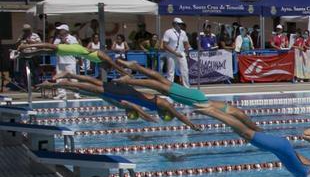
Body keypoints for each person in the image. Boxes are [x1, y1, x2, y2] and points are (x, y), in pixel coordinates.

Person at [114, 59, 259, 131]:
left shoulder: (224, 107)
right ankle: (130, 78)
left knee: (161, 81)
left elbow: (239, 115)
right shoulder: (215, 109)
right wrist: (192, 125)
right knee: (160, 85)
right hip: (195, 99)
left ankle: (136, 67)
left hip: (196, 96)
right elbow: (181, 116)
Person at [198, 103, 310, 177]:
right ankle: (212, 111)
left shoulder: (305, 170)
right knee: (245, 133)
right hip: (281, 147)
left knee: (245, 132)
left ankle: (217, 110)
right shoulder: (308, 173)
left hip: (281, 147)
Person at [36, 74, 198, 129]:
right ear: (166, 113)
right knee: (90, 87)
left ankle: (67, 76)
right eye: (164, 117)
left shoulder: (159, 106)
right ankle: (53, 83)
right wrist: (191, 125)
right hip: (126, 94)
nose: (162, 117)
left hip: (127, 93)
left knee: (93, 84)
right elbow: (179, 115)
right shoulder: (164, 104)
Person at [161, 18, 191, 87]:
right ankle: (169, 87)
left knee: (185, 70)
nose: (180, 25)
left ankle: (187, 87)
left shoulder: (183, 32)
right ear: (174, 24)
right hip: (171, 53)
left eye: (181, 24)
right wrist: (175, 53)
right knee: (171, 71)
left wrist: (186, 53)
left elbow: (186, 43)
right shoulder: (168, 32)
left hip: (181, 53)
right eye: (179, 24)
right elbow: (165, 45)